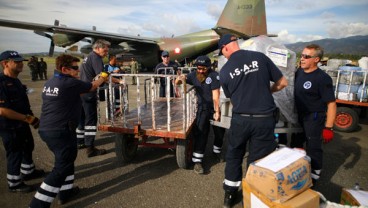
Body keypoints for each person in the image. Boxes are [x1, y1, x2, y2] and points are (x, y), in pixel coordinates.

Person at [29, 54, 110, 207]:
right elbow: (92, 86)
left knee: (67, 161)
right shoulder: (69, 82)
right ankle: (37, 204)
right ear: (64, 69)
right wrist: (103, 76)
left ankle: (66, 192)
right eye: (74, 68)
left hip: (48, 129)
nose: (78, 71)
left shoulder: (51, 82)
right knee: (61, 168)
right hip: (60, 131)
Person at [218, 34, 288, 208]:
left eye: (222, 52)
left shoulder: (225, 72)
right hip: (264, 119)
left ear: (226, 47)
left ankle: (230, 195)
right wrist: (266, 92)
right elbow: (283, 82)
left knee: (234, 155)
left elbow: (233, 99)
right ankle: (251, 197)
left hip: (241, 119)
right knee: (258, 159)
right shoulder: (259, 57)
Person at [0, 50, 45, 193]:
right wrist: (28, 118)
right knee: (14, 153)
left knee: (28, 146)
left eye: (21, 61)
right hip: (10, 126)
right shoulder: (1, 83)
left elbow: (23, 103)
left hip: (22, 123)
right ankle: (14, 183)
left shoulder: (16, 81)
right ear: (5, 64)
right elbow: (3, 110)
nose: (21, 64)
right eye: (16, 61)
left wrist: (31, 117)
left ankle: (28, 171)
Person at [294, 44, 336, 184]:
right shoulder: (299, 72)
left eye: (307, 56)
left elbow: (331, 104)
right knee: (296, 144)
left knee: (313, 147)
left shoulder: (322, 78)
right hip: (299, 116)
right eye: (302, 55)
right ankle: (298, 169)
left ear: (316, 59)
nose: (302, 59)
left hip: (314, 117)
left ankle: (315, 175)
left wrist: (328, 128)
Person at [175, 55, 226, 174]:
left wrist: (217, 112)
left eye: (203, 69)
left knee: (219, 132)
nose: (201, 71)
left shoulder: (214, 76)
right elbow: (177, 83)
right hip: (201, 108)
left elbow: (215, 95)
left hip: (213, 107)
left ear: (209, 67)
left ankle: (216, 151)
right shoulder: (193, 75)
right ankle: (197, 162)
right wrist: (179, 78)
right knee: (201, 132)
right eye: (199, 68)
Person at [79, 39, 110, 157]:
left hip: (81, 91)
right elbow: (101, 76)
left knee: (81, 117)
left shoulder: (88, 57)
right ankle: (90, 148)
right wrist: (117, 80)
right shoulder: (96, 58)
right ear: (97, 48)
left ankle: (80, 141)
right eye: (104, 50)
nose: (106, 53)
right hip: (89, 92)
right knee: (91, 120)